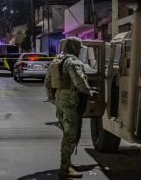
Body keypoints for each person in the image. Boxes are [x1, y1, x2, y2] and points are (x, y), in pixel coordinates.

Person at [44, 37, 96, 178]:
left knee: (67, 133)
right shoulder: (72, 62)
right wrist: (90, 92)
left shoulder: (57, 61)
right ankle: (65, 168)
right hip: (71, 103)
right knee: (70, 135)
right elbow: (79, 82)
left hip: (61, 101)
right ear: (74, 47)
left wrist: (53, 99)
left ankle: (67, 163)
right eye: (79, 47)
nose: (80, 50)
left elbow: (47, 83)